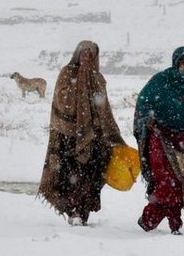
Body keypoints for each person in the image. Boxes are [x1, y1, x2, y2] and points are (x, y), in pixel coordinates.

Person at [39, 40, 130, 226]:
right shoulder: (67, 73)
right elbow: (60, 99)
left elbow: (104, 110)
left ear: (95, 58)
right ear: (76, 54)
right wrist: (79, 87)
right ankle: (73, 211)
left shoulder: (97, 78)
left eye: (89, 55)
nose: (85, 58)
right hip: (68, 136)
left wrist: (110, 134)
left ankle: (83, 211)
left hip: (93, 138)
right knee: (71, 176)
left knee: (90, 176)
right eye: (82, 54)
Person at [134, 46, 184, 235]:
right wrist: (149, 119)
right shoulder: (162, 80)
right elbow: (144, 102)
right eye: (183, 62)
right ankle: (149, 221)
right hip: (162, 135)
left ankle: (174, 224)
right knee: (166, 181)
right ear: (176, 62)